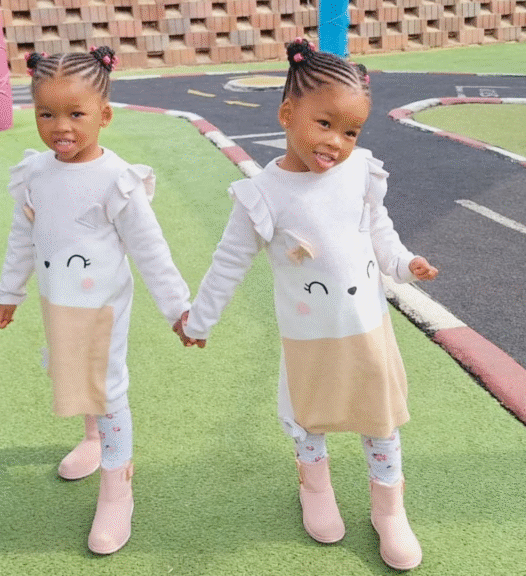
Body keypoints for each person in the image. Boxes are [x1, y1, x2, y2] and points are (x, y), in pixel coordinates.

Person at [178, 39, 439, 571]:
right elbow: (228, 263)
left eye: (350, 131)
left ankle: (389, 510)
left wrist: (403, 263)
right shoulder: (263, 195)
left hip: (366, 327)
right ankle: (315, 489)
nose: (337, 143)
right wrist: (199, 319)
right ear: (287, 113)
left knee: (380, 419)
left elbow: (378, 231)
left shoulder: (361, 170)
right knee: (308, 418)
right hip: (308, 336)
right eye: (324, 125)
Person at [0, 47, 191, 555]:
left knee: (106, 383)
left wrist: (177, 308)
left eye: (76, 114)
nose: (61, 126)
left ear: (104, 114)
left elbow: (150, 250)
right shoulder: (35, 173)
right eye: (46, 113)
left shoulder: (116, 180)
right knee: (69, 369)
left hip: (103, 305)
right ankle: (92, 438)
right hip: (56, 299)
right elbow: (22, 237)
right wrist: (9, 292)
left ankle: (117, 484)